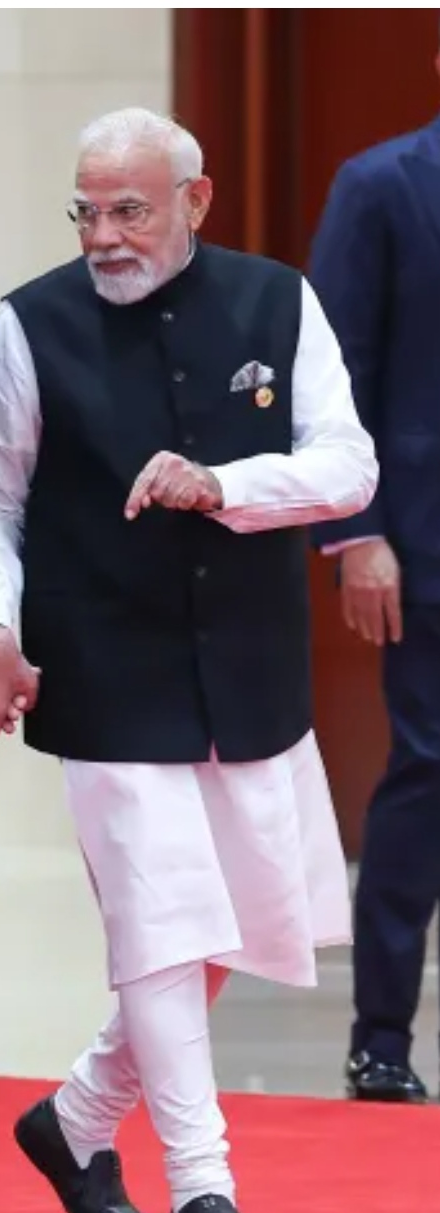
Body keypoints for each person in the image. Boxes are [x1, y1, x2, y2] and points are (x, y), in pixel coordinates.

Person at [0, 107, 378, 1213]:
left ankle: (76, 1117)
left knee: (228, 924)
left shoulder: (278, 300)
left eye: (129, 210)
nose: (103, 235)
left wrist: (223, 483)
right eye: (85, 212)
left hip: (249, 668)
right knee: (160, 919)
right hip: (101, 667)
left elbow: (347, 465)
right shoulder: (31, 324)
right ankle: (201, 1181)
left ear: (195, 202)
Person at [308, 85, 440, 1105]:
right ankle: (381, 1036)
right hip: (423, 542)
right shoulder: (380, 184)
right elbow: (333, 371)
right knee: (426, 773)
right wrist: (355, 532)